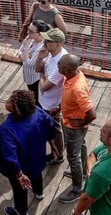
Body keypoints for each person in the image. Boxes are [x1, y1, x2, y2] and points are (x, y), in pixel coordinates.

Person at [0, 90, 59, 215]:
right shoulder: (37, 111)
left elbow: (10, 157)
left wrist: (20, 175)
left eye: (10, 101)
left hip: (21, 167)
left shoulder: (6, 130)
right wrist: (53, 146)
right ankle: (39, 192)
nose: (7, 101)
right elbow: (50, 122)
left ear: (16, 109)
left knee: (20, 188)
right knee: (37, 174)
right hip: (37, 157)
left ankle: (21, 211)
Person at [57, 54, 97, 203]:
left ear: (66, 69)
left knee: (73, 157)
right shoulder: (72, 76)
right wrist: (60, 108)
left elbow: (92, 114)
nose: (58, 65)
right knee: (81, 146)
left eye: (59, 64)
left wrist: (80, 124)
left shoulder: (77, 88)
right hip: (68, 120)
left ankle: (77, 189)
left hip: (73, 127)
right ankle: (84, 172)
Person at [35, 27, 69, 163]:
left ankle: (58, 155)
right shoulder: (49, 53)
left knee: (55, 130)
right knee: (50, 129)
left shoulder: (61, 62)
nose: (45, 42)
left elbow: (44, 86)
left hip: (52, 104)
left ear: (58, 44)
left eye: (48, 40)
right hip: (44, 101)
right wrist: (39, 58)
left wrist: (42, 76)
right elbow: (37, 68)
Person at [19, 20, 50, 104]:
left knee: (36, 98)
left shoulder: (41, 47)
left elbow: (28, 64)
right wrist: (25, 56)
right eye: (28, 30)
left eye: (31, 31)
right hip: (28, 75)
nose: (28, 33)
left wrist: (26, 49)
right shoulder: (30, 39)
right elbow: (19, 52)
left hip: (35, 78)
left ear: (40, 34)